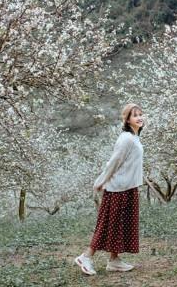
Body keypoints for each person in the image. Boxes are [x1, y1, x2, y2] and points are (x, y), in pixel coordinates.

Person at [74, 103, 144, 276]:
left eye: (141, 114)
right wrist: (100, 181)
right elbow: (114, 162)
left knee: (121, 225)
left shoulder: (134, 137)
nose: (139, 117)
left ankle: (114, 260)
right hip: (117, 189)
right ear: (127, 120)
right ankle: (86, 256)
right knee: (108, 225)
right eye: (135, 115)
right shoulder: (126, 138)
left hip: (128, 186)